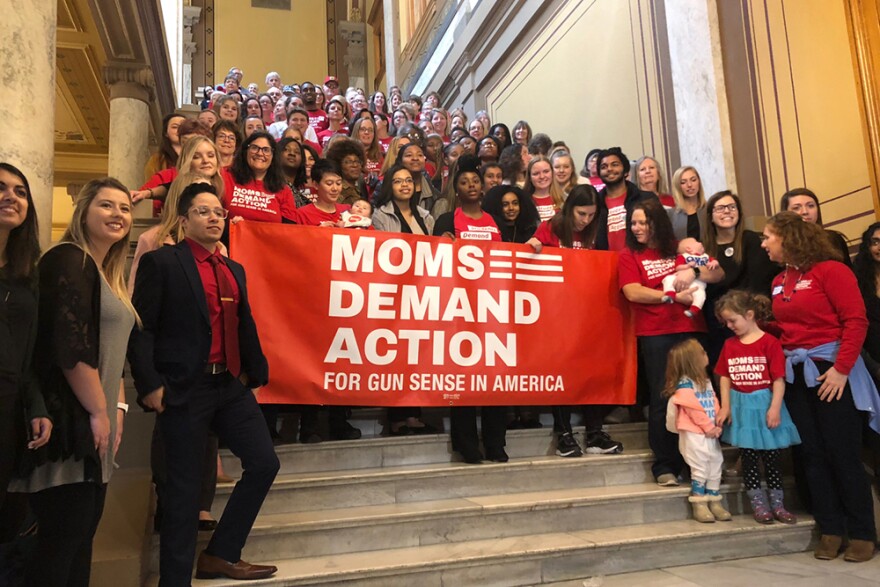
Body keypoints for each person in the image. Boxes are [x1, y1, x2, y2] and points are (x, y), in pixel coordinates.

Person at [128, 182, 279, 583]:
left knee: (264, 463)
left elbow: (244, 324)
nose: (214, 218)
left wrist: (253, 373)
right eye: (203, 212)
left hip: (229, 386)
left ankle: (221, 554)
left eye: (219, 213)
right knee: (182, 491)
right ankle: (174, 581)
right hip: (183, 387)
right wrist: (149, 385)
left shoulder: (234, 268)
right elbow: (141, 328)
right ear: (183, 220)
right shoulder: (162, 263)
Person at [10, 178, 137, 586]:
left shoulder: (104, 272)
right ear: (83, 211)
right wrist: (100, 412)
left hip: (95, 423)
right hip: (68, 424)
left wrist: (116, 408)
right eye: (106, 205)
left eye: (124, 207)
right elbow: (71, 348)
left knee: (80, 543)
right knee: (59, 546)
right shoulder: (70, 258)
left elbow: (112, 356)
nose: (118, 214)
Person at [761, 211, 878, 562]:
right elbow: (791, 329)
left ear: (788, 238)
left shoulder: (832, 270)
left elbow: (856, 321)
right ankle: (830, 528)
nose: (764, 243)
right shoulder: (779, 280)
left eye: (768, 237)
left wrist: (842, 369)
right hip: (798, 373)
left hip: (831, 369)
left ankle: (862, 532)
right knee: (811, 454)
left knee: (842, 453)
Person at [619, 198, 724, 485]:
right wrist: (671, 296)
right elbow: (632, 291)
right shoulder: (630, 254)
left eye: (643, 222)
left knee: (700, 395)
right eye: (633, 223)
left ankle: (700, 464)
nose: (637, 228)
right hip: (655, 333)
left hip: (692, 329)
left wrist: (695, 272)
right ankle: (665, 464)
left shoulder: (677, 247)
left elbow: (718, 272)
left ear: (657, 223)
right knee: (663, 397)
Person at [526, 186, 625, 456]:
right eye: (582, 214)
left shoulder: (596, 229)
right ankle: (565, 434)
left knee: (591, 373)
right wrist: (534, 246)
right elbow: (531, 257)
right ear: (569, 209)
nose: (585, 220)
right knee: (562, 374)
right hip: (556, 314)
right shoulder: (551, 228)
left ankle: (594, 433)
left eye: (592, 215)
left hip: (588, 314)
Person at [433, 156, 507, 463]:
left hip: (494, 308)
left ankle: (495, 443)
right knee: (461, 378)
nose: (472, 186)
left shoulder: (495, 220)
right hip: (460, 309)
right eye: (464, 183)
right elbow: (433, 263)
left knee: (497, 377)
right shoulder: (447, 221)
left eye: (475, 181)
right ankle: (466, 443)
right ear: (456, 189)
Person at [714, 290, 801, 524]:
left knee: (772, 459)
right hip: (742, 407)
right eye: (726, 322)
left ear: (749, 314)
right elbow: (724, 376)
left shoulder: (769, 343)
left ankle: (778, 504)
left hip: (765, 405)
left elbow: (778, 379)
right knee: (749, 458)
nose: (730, 325)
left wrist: (774, 407)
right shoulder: (730, 345)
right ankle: (759, 504)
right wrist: (725, 406)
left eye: (733, 320)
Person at [0, 164, 51, 536]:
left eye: (20, 191)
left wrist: (36, 406)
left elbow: (30, 352)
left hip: (8, 411)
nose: (11, 197)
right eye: (1, 188)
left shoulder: (26, 275)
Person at [702, 190, 781, 364]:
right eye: (720, 208)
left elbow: (758, 279)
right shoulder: (704, 248)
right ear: (710, 216)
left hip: (748, 317)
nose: (727, 211)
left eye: (732, 207)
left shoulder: (751, 239)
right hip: (718, 320)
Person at [663, 339, 732, 523]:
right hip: (695, 433)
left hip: (709, 432)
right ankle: (700, 503)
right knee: (700, 467)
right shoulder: (685, 387)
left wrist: (718, 421)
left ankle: (715, 500)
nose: (706, 354)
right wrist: (709, 427)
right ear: (693, 360)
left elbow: (714, 402)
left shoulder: (705, 381)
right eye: (702, 352)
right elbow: (694, 410)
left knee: (715, 463)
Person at [225, 131, 297, 224]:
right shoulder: (226, 176)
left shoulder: (284, 190)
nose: (260, 153)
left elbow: (288, 230)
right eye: (254, 148)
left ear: (273, 156)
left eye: (266, 150)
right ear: (245, 151)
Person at [594, 147, 657, 252]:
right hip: (606, 264)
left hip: (640, 260)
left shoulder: (647, 199)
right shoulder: (595, 204)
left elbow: (662, 232)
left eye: (615, 165)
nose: (609, 169)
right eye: (604, 166)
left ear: (625, 170)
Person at [780, 187, 852, 266]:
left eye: (810, 206)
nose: (805, 212)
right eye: (796, 208)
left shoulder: (834, 238)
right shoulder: (778, 244)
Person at [661, 237, 719, 318]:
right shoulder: (683, 257)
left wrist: (714, 263)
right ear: (689, 248)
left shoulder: (705, 256)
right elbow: (678, 268)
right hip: (680, 277)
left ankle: (694, 309)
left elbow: (715, 262)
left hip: (698, 281)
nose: (700, 242)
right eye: (696, 242)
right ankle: (669, 294)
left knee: (700, 293)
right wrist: (687, 266)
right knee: (668, 279)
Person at [668, 166, 706, 241]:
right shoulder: (671, 214)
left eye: (693, 180)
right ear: (678, 186)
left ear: (699, 182)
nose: (689, 185)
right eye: (683, 182)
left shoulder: (708, 209)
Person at [145, 113, 186, 180]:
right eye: (175, 127)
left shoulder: (196, 156)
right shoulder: (157, 160)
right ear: (166, 133)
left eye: (184, 127)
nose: (180, 130)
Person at [523, 156, 564, 222]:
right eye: (536, 173)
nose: (542, 176)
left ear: (552, 173)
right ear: (530, 177)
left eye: (546, 171)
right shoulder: (523, 201)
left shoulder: (564, 199)